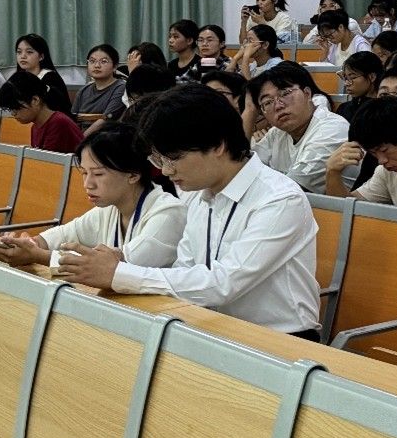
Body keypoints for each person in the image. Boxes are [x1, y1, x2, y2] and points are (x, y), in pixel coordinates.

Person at [53, 83, 320, 337]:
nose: (166, 171)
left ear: (218, 145)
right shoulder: (199, 196)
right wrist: (120, 267)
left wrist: (119, 273)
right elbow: (185, 269)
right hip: (212, 327)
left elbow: (224, 283)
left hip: (281, 341)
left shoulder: (280, 199)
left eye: (173, 158)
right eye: (159, 159)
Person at [0, 125, 184, 272]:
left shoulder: (168, 214)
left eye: (98, 174)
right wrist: (26, 244)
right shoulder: (110, 208)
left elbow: (118, 268)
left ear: (133, 175)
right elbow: (62, 235)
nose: (88, 184)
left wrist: (36, 255)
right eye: (84, 173)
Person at [248, 63, 353, 193]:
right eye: (268, 102)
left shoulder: (332, 128)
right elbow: (245, 172)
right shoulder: (277, 133)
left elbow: (290, 191)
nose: (278, 106)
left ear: (307, 93)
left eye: (285, 94)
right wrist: (249, 111)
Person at [0, 72, 84, 152]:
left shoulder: (58, 123)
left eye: (16, 108)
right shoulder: (35, 127)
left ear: (35, 100)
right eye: (10, 109)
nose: (13, 113)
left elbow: (49, 161)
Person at [12, 33, 72, 114]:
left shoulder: (50, 78)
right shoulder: (18, 78)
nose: (22, 56)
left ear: (41, 56)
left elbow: (54, 109)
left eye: (29, 52)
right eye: (19, 52)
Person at [71, 44, 127, 130]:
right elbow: (73, 119)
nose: (97, 65)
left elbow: (105, 120)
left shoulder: (121, 88)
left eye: (103, 61)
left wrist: (81, 137)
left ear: (115, 66)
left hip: (105, 135)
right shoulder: (83, 90)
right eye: (92, 61)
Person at [335, 50, 384, 123]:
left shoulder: (382, 111)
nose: (346, 83)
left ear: (372, 77)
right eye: (346, 78)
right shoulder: (344, 109)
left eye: (352, 77)